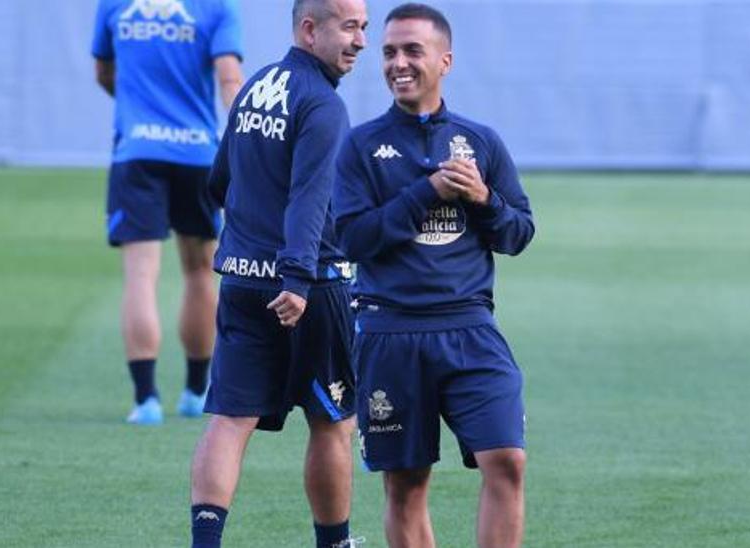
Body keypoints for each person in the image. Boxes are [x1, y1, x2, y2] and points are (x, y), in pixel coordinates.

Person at [333, 4, 535, 546]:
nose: (399, 63)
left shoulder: (482, 142)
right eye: (390, 52)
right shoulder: (359, 146)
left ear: (444, 61)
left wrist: (482, 197)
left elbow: (518, 233)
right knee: (405, 486)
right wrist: (428, 193)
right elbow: (352, 239)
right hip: (389, 333)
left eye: (412, 51)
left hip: (471, 330)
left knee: (507, 462)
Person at [188, 1, 368, 546]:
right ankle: (334, 543)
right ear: (310, 30)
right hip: (308, 287)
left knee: (228, 419)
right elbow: (310, 200)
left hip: (241, 281)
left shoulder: (256, 87)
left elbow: (219, 179)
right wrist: (293, 279)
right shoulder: (322, 105)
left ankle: (204, 543)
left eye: (364, 27)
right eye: (348, 27)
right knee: (332, 421)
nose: (359, 40)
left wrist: (246, 246)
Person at [91, 0, 245, 423]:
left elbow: (104, 73)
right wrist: (248, 132)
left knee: (141, 274)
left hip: (137, 150)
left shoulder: (115, 5)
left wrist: (138, 112)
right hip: (197, 153)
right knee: (199, 272)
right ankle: (196, 392)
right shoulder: (216, 8)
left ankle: (146, 400)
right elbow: (229, 77)